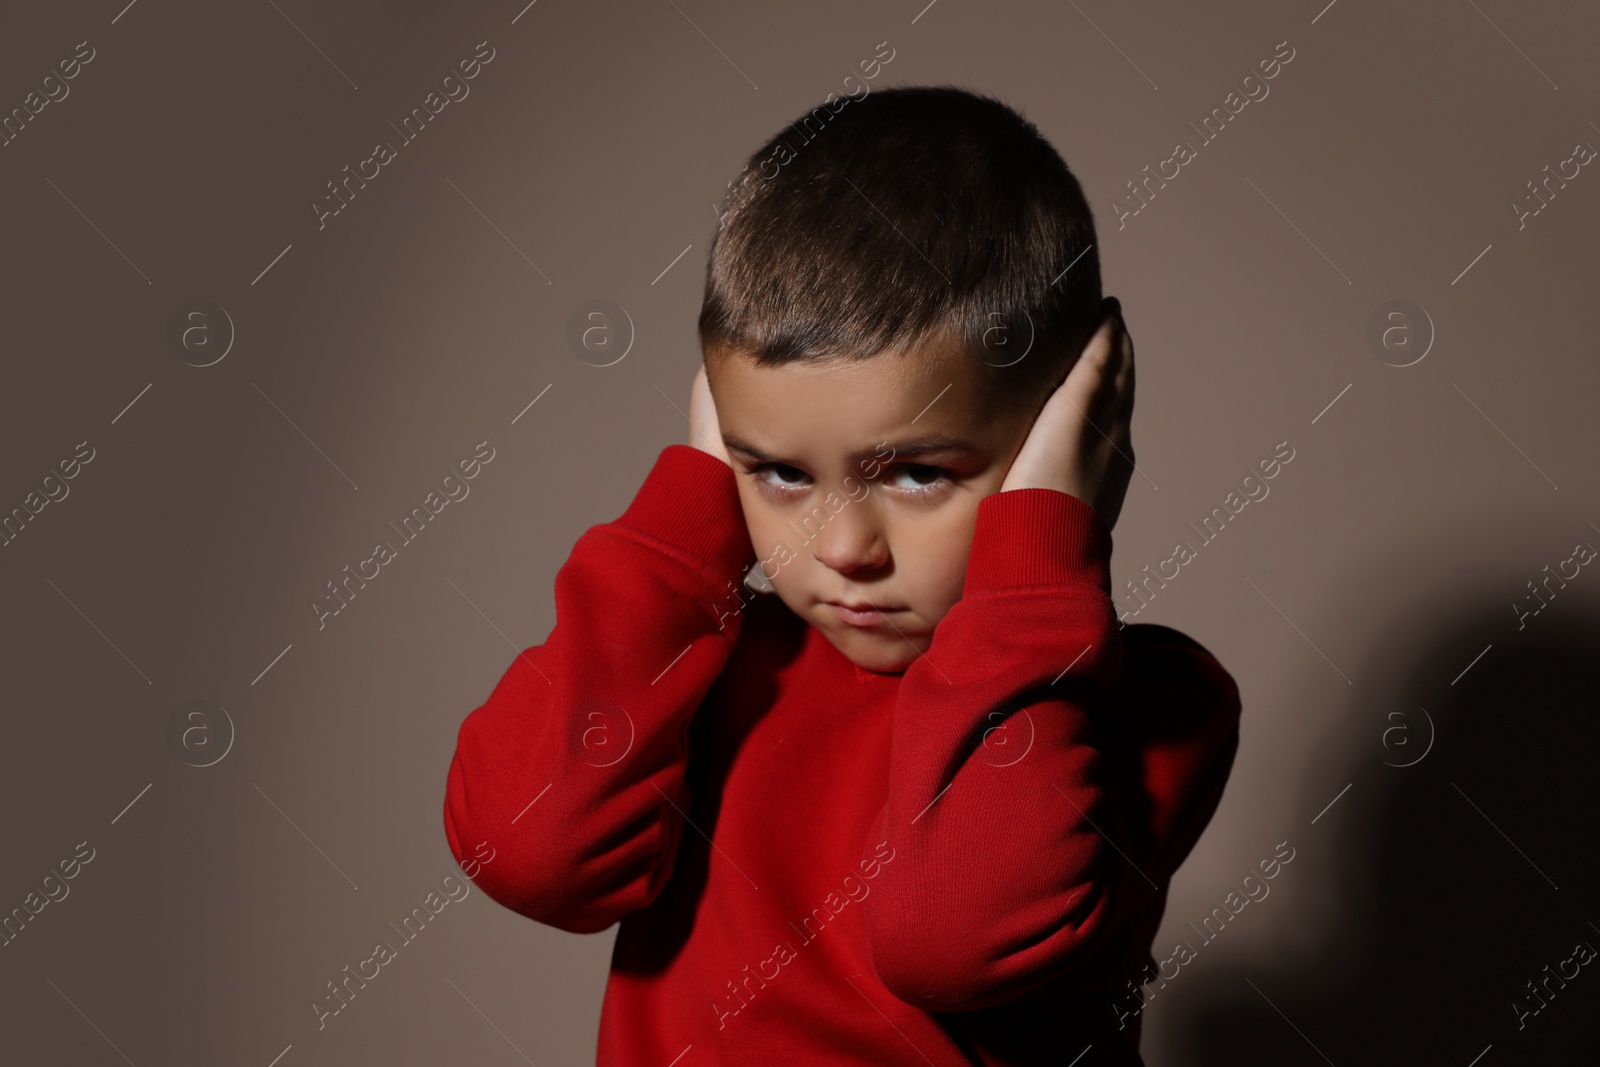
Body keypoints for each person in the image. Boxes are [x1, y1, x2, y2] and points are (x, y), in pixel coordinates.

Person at [442, 85, 1241, 1066]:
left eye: (914, 471)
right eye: (778, 470)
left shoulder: (1146, 706)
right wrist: (689, 520)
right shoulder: (705, 667)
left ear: (1065, 432)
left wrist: (1041, 557)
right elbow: (526, 853)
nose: (842, 547)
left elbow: (946, 937)